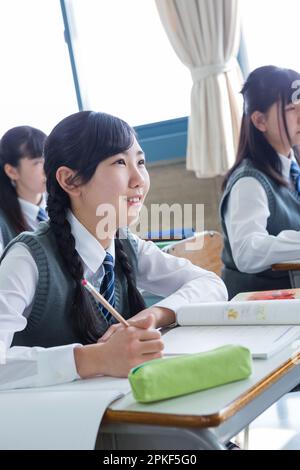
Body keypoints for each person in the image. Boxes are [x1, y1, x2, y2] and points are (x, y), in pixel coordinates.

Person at [0, 111, 227, 389]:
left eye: (141, 162)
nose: (139, 179)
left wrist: (153, 316)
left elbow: (210, 284)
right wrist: (94, 359)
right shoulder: (27, 259)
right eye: (120, 162)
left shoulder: (125, 244)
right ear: (70, 180)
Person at [220, 65, 300, 299]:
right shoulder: (249, 181)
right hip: (259, 310)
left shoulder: (292, 164)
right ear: (260, 121)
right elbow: (247, 252)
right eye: (291, 109)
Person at [0, 126, 47, 256]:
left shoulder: (66, 201)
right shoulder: (3, 224)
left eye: (47, 159)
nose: (47, 168)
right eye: (38, 162)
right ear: (12, 171)